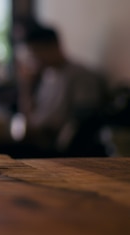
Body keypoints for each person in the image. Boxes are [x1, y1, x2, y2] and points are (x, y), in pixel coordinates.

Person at [15, 25, 109, 156]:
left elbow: (83, 121)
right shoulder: (48, 75)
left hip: (58, 150)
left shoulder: (80, 76)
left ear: (53, 46)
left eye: (37, 51)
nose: (34, 58)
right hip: (39, 141)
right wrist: (26, 86)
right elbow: (31, 117)